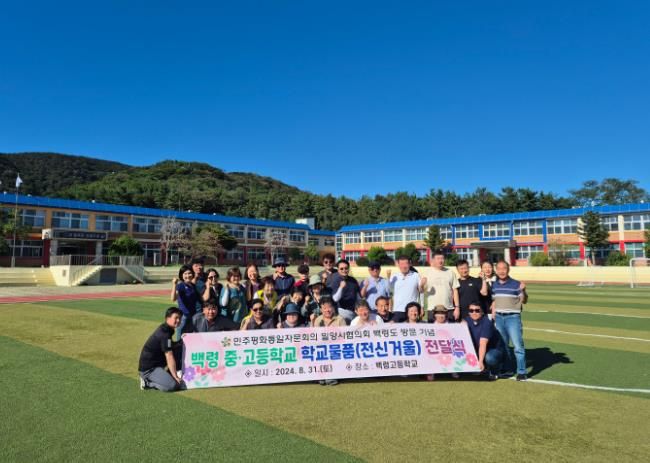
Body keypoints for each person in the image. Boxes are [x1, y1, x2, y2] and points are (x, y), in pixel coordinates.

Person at [491, 260, 529, 381]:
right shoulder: (494, 285)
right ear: (496, 270)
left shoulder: (516, 284)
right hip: (499, 318)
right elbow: (494, 300)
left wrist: (523, 290)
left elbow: (524, 301)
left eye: (504, 268)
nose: (502, 271)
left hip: (513, 317)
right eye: (499, 269)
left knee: (518, 346)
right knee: (504, 346)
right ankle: (507, 370)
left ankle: (521, 372)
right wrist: (493, 313)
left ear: (508, 270)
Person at [138, 307, 184, 392]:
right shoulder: (164, 334)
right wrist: (175, 376)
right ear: (167, 318)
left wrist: (181, 341)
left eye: (180, 318)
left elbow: (170, 345)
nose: (178, 320)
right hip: (149, 370)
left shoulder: (166, 329)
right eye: (176, 318)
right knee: (173, 386)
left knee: (180, 347)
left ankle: (169, 374)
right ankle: (147, 382)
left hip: (157, 364)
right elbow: (169, 356)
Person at [464, 302, 503, 380]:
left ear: (482, 312)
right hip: (478, 348)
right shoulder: (466, 321)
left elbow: (483, 343)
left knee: (490, 358)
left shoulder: (487, 323)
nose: (474, 313)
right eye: (471, 310)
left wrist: (480, 361)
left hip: (492, 350)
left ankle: (495, 370)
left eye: (477, 310)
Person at [422, 250, 460, 322]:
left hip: (448, 309)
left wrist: (457, 307)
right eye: (438, 258)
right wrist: (421, 285)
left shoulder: (450, 272)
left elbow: (455, 290)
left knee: (450, 328)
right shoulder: (427, 273)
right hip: (432, 309)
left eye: (442, 258)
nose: (440, 261)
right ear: (433, 260)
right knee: (433, 329)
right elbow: (421, 291)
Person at [388, 255, 425, 323]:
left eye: (406, 263)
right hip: (398, 310)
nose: (404, 266)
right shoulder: (394, 276)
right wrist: (389, 309)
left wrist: (422, 307)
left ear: (410, 264)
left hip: (412, 310)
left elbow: (421, 292)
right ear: (398, 264)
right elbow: (389, 292)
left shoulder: (416, 275)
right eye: (402, 264)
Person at [171, 265, 198, 341]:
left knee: (190, 338)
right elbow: (173, 298)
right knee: (180, 338)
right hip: (183, 316)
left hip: (193, 316)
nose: (188, 275)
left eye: (189, 273)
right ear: (181, 275)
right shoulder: (180, 286)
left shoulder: (193, 286)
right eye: (185, 274)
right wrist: (174, 285)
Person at [329, 259, 361, 323]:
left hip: (354, 311)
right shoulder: (335, 280)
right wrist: (341, 287)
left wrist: (359, 307)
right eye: (341, 269)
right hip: (342, 312)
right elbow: (335, 299)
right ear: (338, 270)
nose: (344, 270)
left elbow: (358, 297)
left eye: (346, 268)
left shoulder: (353, 280)